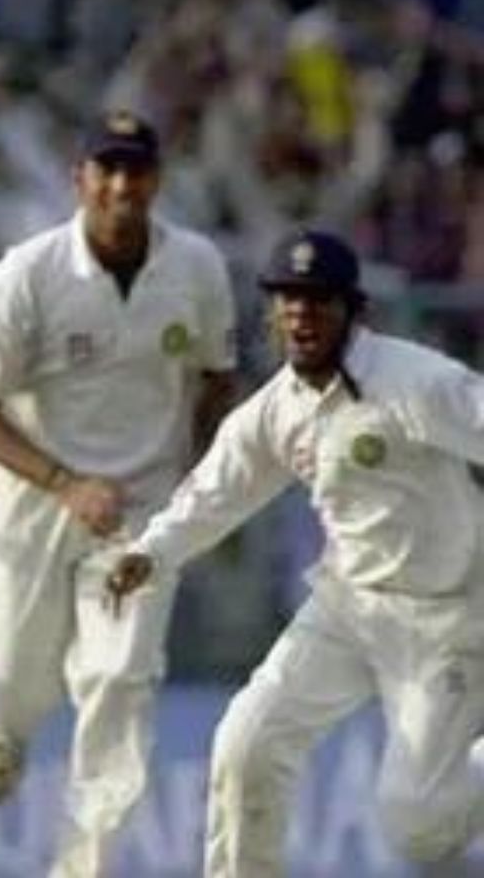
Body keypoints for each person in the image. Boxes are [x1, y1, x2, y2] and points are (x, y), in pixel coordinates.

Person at [105, 230, 484, 877]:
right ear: (273, 313)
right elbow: (215, 491)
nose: (302, 315)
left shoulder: (413, 381)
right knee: (245, 745)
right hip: (348, 610)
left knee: (418, 830)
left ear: (352, 311)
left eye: (319, 301)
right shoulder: (277, 410)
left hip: (444, 620)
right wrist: (152, 551)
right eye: (289, 300)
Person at [0, 110, 237, 876]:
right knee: (24, 682)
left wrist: (200, 479)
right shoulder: (28, 274)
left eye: (136, 170)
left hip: (142, 511)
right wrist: (64, 483)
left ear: (157, 180)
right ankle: (6, 731)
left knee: (121, 675)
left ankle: (86, 861)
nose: (122, 186)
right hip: (34, 505)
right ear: (78, 179)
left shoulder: (198, 269)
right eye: (106, 169)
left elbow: (217, 380)